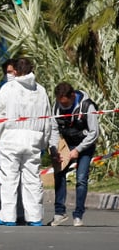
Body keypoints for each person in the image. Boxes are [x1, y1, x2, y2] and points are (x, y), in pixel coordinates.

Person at [0, 58, 51, 226]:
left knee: (9, 179)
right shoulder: (41, 91)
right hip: (34, 139)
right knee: (33, 179)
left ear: (15, 71)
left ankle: (8, 217)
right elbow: (47, 120)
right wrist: (44, 143)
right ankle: (35, 217)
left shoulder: (8, 89)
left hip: (11, 138)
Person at [49, 82, 99, 227]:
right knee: (59, 174)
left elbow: (94, 132)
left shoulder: (87, 106)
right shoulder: (56, 107)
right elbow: (53, 130)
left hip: (85, 144)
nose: (63, 107)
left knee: (81, 179)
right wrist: (54, 150)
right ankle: (59, 213)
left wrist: (78, 150)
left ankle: (78, 215)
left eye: (66, 104)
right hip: (67, 143)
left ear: (72, 96)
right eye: (61, 103)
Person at [0, 58, 23, 224]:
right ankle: (3, 209)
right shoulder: (0, 91)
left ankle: (19, 213)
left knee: (17, 179)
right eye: (7, 72)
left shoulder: (27, 91)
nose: (10, 75)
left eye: (12, 71)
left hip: (14, 140)